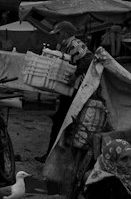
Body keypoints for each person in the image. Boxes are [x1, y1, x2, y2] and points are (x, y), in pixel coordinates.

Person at [39, 21, 95, 161]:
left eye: (58, 34)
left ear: (64, 33)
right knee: (60, 120)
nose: (56, 37)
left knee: (63, 121)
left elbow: (89, 59)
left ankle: (54, 156)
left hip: (77, 90)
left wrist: (76, 74)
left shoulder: (75, 45)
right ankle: (53, 154)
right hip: (67, 90)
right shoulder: (61, 46)